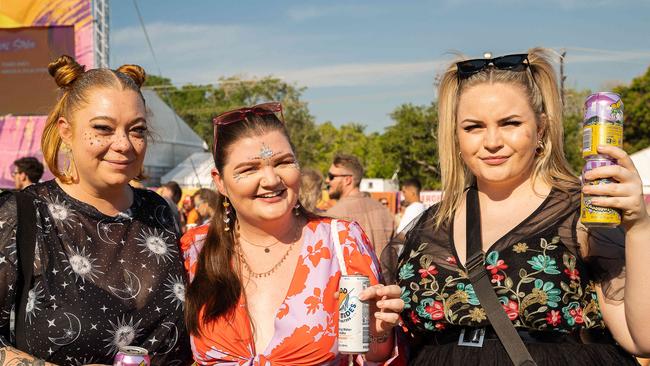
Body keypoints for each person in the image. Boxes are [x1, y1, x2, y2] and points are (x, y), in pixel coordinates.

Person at [395, 48, 650, 365]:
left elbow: (642, 339)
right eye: (473, 127)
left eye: (510, 123)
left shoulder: (581, 212)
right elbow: (397, 341)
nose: (491, 141)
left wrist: (639, 227)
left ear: (541, 129)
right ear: (455, 136)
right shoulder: (429, 226)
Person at [0, 55, 192, 364]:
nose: (124, 144)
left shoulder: (159, 211)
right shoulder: (22, 214)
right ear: (66, 130)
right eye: (103, 128)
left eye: (137, 130)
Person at [181, 102, 404, 365]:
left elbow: (370, 356)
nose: (272, 179)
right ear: (220, 182)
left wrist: (378, 335)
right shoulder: (195, 249)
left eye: (283, 162)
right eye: (249, 169)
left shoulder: (341, 242)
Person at [325, 154, 394, 257]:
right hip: (384, 273)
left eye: (331, 176)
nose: (327, 180)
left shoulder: (332, 215)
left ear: (347, 180)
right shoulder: (384, 211)